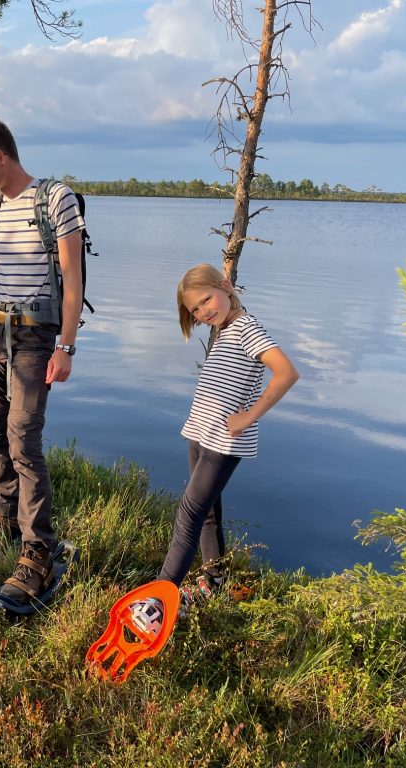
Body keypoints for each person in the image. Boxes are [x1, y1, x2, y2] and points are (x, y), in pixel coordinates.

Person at [0, 117, 84, 608]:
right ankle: (5, 521)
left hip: (35, 335)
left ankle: (38, 551)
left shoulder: (55, 199)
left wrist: (65, 346)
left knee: (25, 438)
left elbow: (73, 277)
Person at [129, 263, 299, 637]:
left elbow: (286, 372)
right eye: (195, 310)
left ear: (225, 287)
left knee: (188, 513)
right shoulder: (223, 329)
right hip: (201, 432)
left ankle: (159, 600)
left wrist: (248, 417)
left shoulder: (247, 327)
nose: (204, 311)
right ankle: (215, 580)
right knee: (205, 513)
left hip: (225, 441)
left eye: (206, 300)